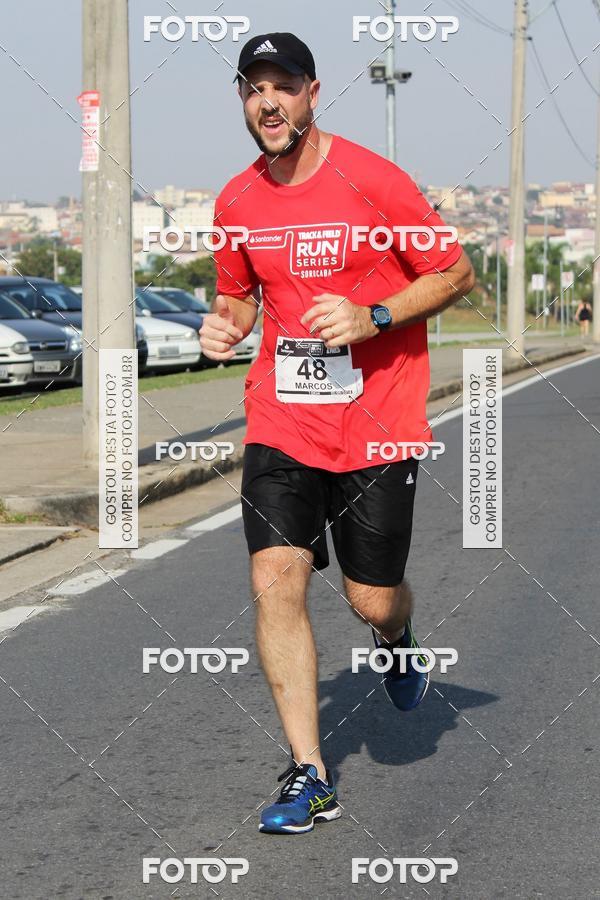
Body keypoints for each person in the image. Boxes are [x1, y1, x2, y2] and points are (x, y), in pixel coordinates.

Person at [200, 32, 475, 835]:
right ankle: (309, 774)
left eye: (282, 86)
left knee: (369, 598)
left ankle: (399, 640)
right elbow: (241, 298)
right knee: (276, 575)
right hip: (283, 421)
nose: (267, 103)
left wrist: (373, 315)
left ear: (313, 92)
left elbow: (454, 272)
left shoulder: (373, 180)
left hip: (378, 419)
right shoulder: (236, 202)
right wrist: (226, 327)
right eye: (253, 89)